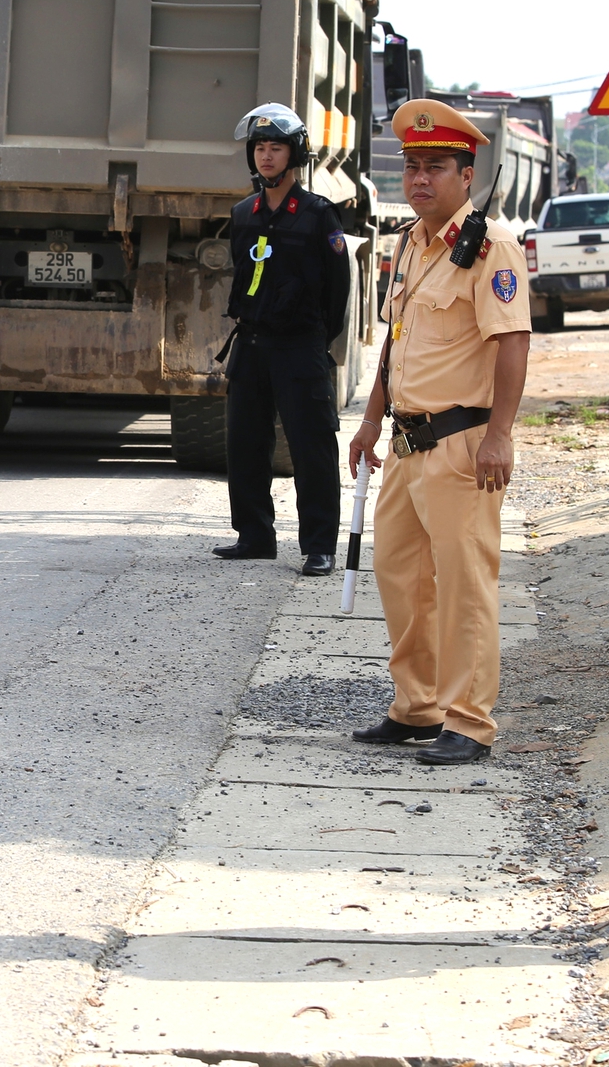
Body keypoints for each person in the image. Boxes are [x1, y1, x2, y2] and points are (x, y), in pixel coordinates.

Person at [347, 99, 530, 767]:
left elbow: (512, 342)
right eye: (412, 166)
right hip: (405, 441)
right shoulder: (411, 244)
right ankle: (417, 706)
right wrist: (370, 420)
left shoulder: (489, 246)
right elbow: (396, 346)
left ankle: (468, 720)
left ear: (465, 172)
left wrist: (501, 435)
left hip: (462, 444)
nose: (420, 179)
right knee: (401, 576)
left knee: (462, 586)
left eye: (435, 167)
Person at [212, 102, 351, 576]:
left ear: (295, 155)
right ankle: (254, 536)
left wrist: (311, 339)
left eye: (276, 148)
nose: (266, 157)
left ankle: (318, 546)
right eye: (259, 148)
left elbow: (338, 293)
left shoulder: (318, 216)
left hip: (299, 348)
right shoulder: (243, 213)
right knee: (245, 443)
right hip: (250, 346)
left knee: (312, 446)